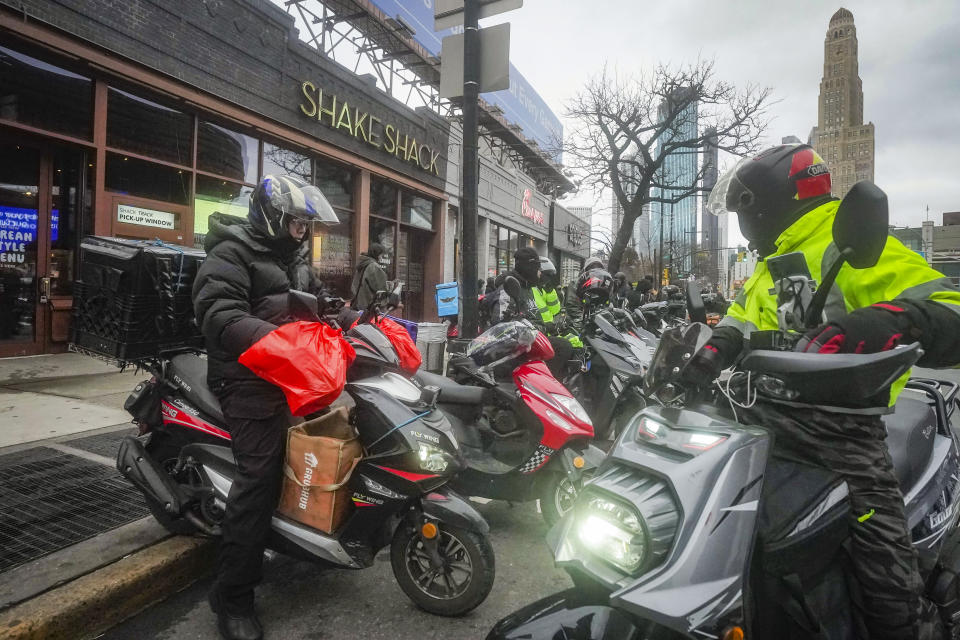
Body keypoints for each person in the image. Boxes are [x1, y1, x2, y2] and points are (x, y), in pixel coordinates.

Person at [685, 144, 960, 640]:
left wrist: (889, 321)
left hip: (843, 441)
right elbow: (742, 318)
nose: (742, 221)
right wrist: (713, 350)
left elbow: (949, 304)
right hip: (761, 428)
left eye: (743, 207)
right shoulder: (772, 260)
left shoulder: (843, 243)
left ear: (765, 201)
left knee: (888, 599)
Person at [193, 174, 339, 640]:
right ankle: (232, 596)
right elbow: (220, 315)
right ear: (273, 217)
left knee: (330, 437)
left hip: (290, 370)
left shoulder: (292, 257)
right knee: (260, 475)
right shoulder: (229, 254)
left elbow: (318, 303)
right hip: (246, 379)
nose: (302, 232)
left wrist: (359, 320)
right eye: (296, 223)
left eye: (304, 225)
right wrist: (278, 342)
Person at [563, 256, 604, 335]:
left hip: (597, 324)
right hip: (578, 325)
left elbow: (605, 303)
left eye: (599, 268)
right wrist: (584, 321)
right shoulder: (576, 283)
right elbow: (572, 306)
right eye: (593, 267)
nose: (596, 270)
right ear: (586, 269)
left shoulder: (601, 284)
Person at [350, 242, 388, 312]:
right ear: (376, 254)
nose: (381, 257)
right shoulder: (374, 267)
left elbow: (354, 286)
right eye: (381, 255)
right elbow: (381, 289)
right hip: (370, 309)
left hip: (358, 306)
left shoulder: (363, 264)